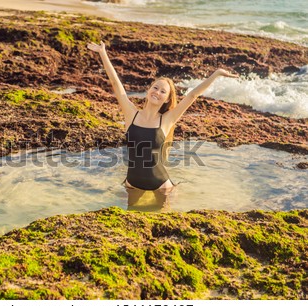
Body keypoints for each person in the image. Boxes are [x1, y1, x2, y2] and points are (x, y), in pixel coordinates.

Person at [87, 41, 238, 210]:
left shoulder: (166, 120)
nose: (157, 92)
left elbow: (193, 95)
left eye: (162, 91)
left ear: (167, 99)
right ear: (148, 90)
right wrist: (102, 52)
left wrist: (215, 74)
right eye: (155, 87)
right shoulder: (131, 114)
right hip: (132, 186)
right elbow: (116, 84)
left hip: (161, 189)